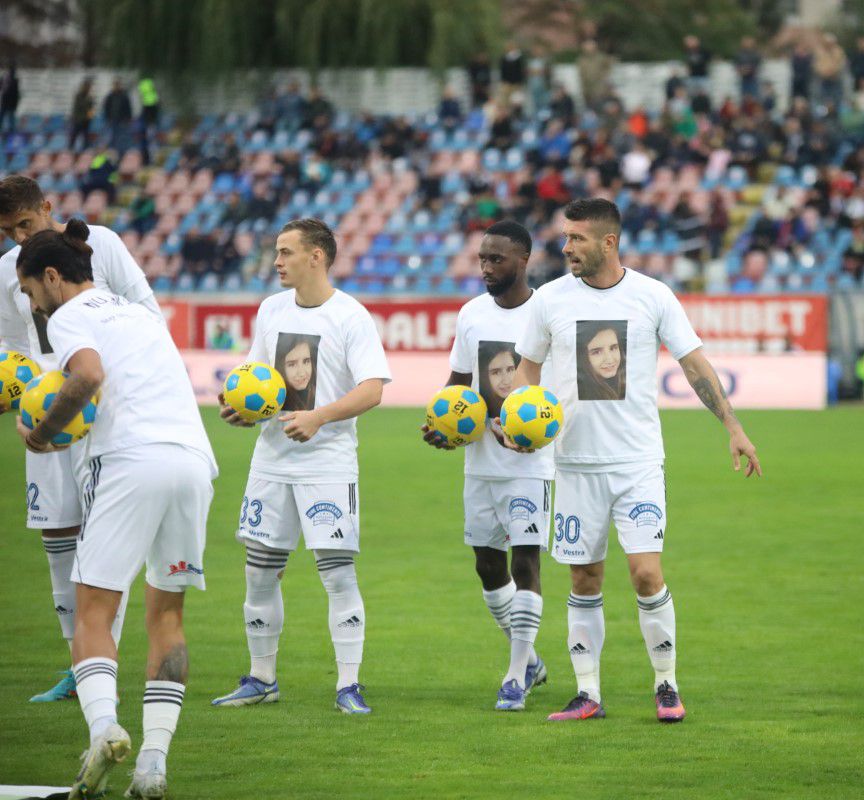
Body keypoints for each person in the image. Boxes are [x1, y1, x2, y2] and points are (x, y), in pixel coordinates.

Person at [504, 198, 762, 723]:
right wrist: (521, 422)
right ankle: (587, 693)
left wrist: (733, 426)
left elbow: (694, 366)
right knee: (584, 580)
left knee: (646, 574)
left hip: (637, 463)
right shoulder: (550, 300)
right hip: (573, 463)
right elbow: (526, 371)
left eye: (576, 238)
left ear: (608, 242)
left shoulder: (653, 296)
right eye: (564, 237)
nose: (565, 246)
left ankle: (666, 685)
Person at [15, 220, 217, 798]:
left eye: (31, 291)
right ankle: (153, 762)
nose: (33, 303)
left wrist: (44, 432)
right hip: (192, 462)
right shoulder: (141, 313)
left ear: (53, 278)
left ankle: (103, 728)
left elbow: (89, 376)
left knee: (93, 612)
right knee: (167, 616)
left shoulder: (72, 315)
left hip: (129, 459)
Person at [211, 219, 390, 715]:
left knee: (336, 574)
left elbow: (373, 388)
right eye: (276, 251)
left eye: (286, 252)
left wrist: (319, 416)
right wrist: (242, 411)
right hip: (270, 462)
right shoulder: (270, 309)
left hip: (327, 464)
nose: (277, 261)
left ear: (317, 256)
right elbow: (257, 381)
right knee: (259, 574)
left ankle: (348, 685)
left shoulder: (351, 316)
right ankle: (261, 677)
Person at [0, 175, 162, 704]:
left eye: (25, 224)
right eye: (7, 231)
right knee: (57, 540)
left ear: (46, 207)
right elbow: (10, 348)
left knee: (100, 540)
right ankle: (78, 666)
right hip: (45, 412)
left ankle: (101, 663)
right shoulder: (7, 271)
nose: (18, 238)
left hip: (103, 412)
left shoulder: (101, 243)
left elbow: (146, 310)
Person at [420, 221, 554, 711]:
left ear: (523, 260)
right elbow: (457, 383)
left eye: (496, 260)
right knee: (486, 564)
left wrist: (537, 430)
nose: (486, 268)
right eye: (482, 259)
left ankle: (515, 676)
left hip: (530, 462)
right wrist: (443, 423)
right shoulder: (471, 313)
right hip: (480, 461)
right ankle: (533, 659)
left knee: (526, 561)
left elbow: (557, 392)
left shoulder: (546, 313)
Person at [69, 78, 95, 152]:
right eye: (86, 86)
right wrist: (76, 118)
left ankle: (85, 150)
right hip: (78, 120)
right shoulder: (78, 96)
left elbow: (91, 109)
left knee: (86, 136)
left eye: (89, 87)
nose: (88, 88)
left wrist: (90, 118)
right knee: (74, 135)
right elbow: (76, 108)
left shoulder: (90, 98)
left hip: (86, 121)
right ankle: (70, 149)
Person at [0, 63, 19, 135]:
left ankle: (12, 130)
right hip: (6, 101)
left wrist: (16, 103)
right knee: (4, 116)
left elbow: (16, 93)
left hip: (10, 102)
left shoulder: (15, 80)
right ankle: (9, 129)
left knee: (11, 117)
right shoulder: (4, 79)